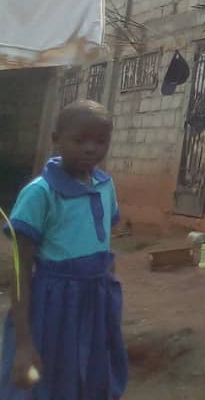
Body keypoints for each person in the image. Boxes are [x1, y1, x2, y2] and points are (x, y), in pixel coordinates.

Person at [1, 100, 128, 400]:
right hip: (54, 304)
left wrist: (107, 298)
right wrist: (23, 342)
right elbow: (20, 272)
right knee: (49, 379)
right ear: (56, 139)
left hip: (96, 298)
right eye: (80, 140)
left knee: (94, 374)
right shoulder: (40, 193)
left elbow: (103, 246)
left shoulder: (104, 185)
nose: (91, 149)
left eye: (101, 141)